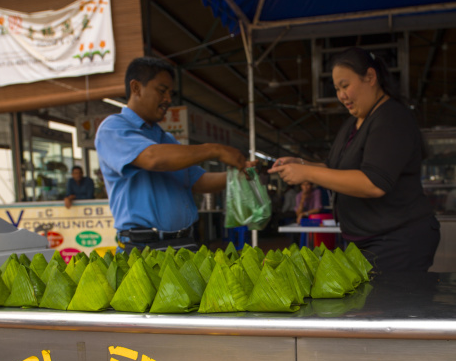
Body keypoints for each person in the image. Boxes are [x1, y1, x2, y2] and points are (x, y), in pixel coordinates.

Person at [268, 47, 440, 272]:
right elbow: (333, 167)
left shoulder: (391, 117)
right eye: (337, 89)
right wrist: (300, 164)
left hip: (396, 239)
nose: (341, 96)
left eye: (345, 86)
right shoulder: (354, 122)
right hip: (363, 240)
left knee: (389, 306)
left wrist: (308, 174)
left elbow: (374, 182)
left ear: (370, 77)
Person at [95, 56, 253, 252]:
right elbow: (152, 158)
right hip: (143, 247)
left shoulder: (166, 139)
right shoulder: (113, 128)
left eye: (170, 93)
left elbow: (198, 180)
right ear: (136, 88)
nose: (168, 99)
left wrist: (238, 175)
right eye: (162, 91)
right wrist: (215, 150)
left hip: (185, 244)